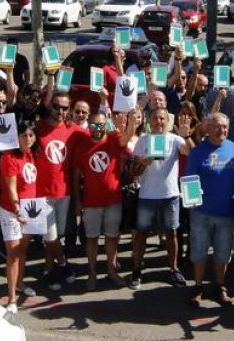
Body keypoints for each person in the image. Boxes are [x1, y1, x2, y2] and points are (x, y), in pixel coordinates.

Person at [128, 106, 194, 290]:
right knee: (141, 234)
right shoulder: (142, 141)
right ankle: (136, 269)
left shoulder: (175, 139)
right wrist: (143, 163)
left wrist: (187, 136)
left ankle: (173, 268)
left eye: (163, 119)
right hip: (147, 195)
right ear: (150, 121)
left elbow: (191, 154)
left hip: (170, 195)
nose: (159, 122)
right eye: (156, 118)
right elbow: (133, 172)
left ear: (167, 121)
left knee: (172, 233)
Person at [73, 108, 139, 290]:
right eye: (95, 125)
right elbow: (77, 175)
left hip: (113, 200)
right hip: (91, 202)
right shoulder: (82, 146)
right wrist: (78, 201)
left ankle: (111, 271)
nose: (98, 128)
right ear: (89, 126)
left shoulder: (113, 139)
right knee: (92, 239)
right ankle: (92, 273)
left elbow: (128, 136)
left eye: (102, 125)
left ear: (105, 125)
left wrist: (132, 120)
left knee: (112, 238)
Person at [186, 112, 234, 306]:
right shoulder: (197, 152)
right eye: (218, 127)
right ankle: (198, 285)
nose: (222, 130)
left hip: (227, 211)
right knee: (199, 251)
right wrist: (191, 200)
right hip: (201, 212)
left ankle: (220, 285)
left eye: (225, 127)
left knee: (223, 252)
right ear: (208, 128)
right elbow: (189, 180)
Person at [33, 91, 77, 290]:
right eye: (57, 106)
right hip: (42, 194)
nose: (61, 111)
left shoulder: (72, 129)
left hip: (64, 192)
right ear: (50, 106)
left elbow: (97, 137)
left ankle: (48, 270)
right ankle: (64, 265)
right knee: (50, 237)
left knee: (55, 237)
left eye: (65, 108)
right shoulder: (38, 127)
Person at [0, 118, 40, 312]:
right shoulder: (9, 157)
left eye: (31, 135)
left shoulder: (32, 154)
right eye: (24, 136)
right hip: (12, 210)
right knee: (13, 254)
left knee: (23, 250)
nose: (28, 139)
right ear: (17, 137)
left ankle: (20, 283)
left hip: (31, 208)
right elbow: (11, 188)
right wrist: (17, 210)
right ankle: (12, 298)